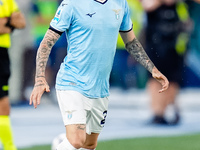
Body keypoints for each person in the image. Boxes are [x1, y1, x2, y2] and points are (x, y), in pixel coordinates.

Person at [29, 0, 169, 149]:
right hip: (72, 81)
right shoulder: (71, 4)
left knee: (89, 144)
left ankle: (62, 144)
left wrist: (153, 69)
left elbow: (131, 42)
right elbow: (47, 42)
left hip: (100, 87)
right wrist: (39, 79)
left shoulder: (120, 4)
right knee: (76, 140)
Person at [142, 0, 190, 125]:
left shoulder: (179, 6)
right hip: (155, 48)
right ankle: (158, 113)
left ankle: (168, 109)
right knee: (155, 80)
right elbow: (147, 6)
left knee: (173, 81)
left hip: (175, 49)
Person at [0, 0, 26, 149]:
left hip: (3, 54)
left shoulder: (7, 1)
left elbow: (22, 22)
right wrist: (11, 21)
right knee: (3, 104)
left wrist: (6, 22)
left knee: (4, 106)